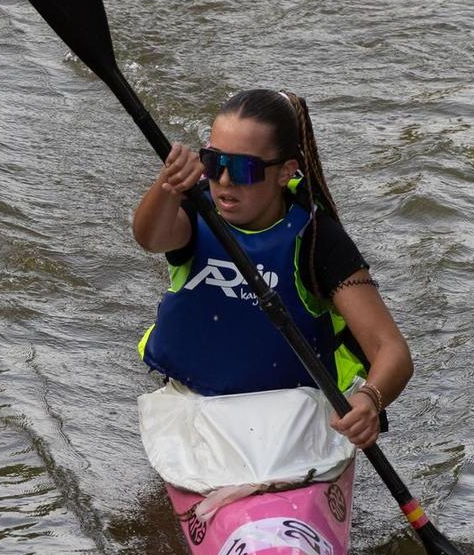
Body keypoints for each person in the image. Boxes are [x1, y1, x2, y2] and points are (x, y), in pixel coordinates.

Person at [130, 88, 411, 450]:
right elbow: (150, 239)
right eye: (215, 163)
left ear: (285, 172)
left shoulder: (316, 238)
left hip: (293, 416)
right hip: (193, 402)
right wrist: (167, 184)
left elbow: (391, 349)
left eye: (245, 168)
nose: (226, 181)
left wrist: (370, 399)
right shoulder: (191, 207)